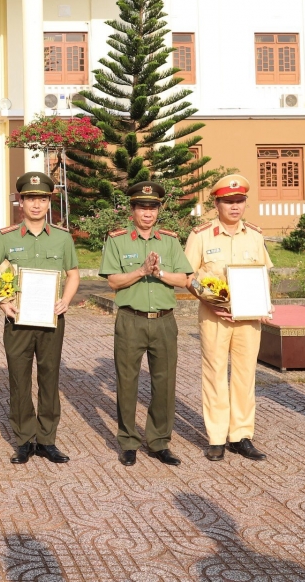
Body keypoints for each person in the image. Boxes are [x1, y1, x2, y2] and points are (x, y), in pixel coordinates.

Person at [0, 172, 80, 465]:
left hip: (51, 321)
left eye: (42, 199)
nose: (36, 205)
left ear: (49, 202)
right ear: (20, 202)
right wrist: (3, 302)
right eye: (30, 198)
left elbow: (73, 275)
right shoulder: (7, 237)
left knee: (50, 378)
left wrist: (66, 300)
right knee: (19, 380)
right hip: (18, 322)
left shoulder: (62, 238)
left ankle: (47, 440)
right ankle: (24, 440)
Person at [99, 182, 193, 466]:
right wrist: (141, 271)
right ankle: (128, 441)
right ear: (133, 210)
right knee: (127, 382)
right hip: (131, 319)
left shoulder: (170, 241)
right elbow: (114, 280)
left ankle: (159, 442)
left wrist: (159, 271)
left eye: (152, 207)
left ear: (159, 210)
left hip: (164, 321)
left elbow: (186, 280)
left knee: (164, 383)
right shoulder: (117, 241)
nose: (148, 213)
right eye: (142, 207)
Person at [184, 174, 272, 463]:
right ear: (217, 203)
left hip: (248, 319)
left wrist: (265, 305)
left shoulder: (256, 236)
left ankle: (241, 435)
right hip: (215, 317)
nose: (235, 207)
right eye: (228, 201)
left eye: (239, 201)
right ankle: (217, 437)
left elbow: (263, 275)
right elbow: (189, 277)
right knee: (215, 375)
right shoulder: (201, 235)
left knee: (246, 377)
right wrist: (205, 298)